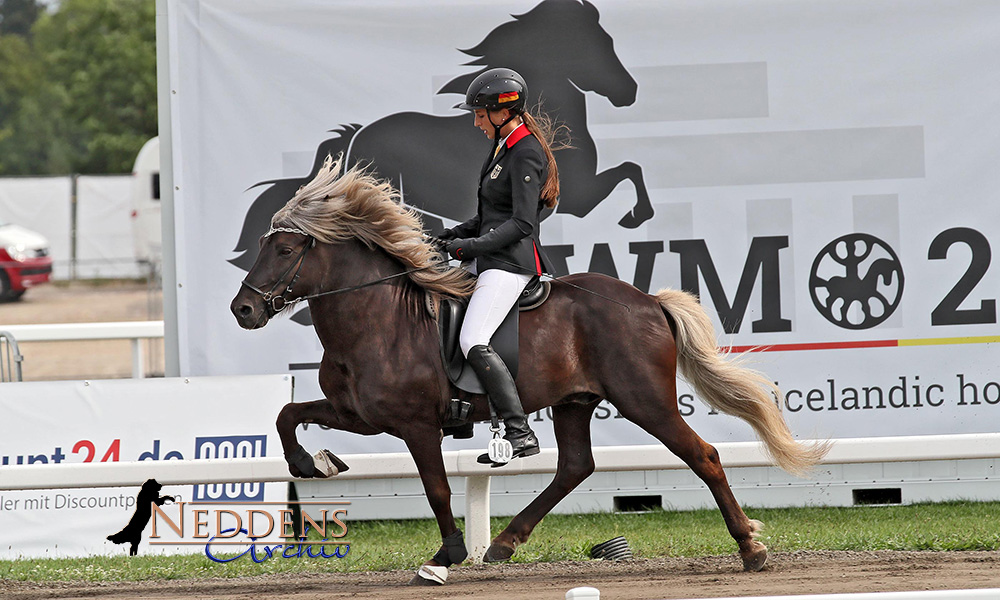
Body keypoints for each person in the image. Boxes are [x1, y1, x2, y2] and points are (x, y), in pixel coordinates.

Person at [438, 67, 560, 465]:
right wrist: (448, 236)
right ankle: (455, 409)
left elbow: (523, 223)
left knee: (473, 338)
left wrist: (468, 247)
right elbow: (490, 214)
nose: (475, 122)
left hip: (510, 263)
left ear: (502, 112)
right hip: (490, 255)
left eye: (479, 114)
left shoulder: (526, 150)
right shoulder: (503, 144)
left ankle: (519, 431)